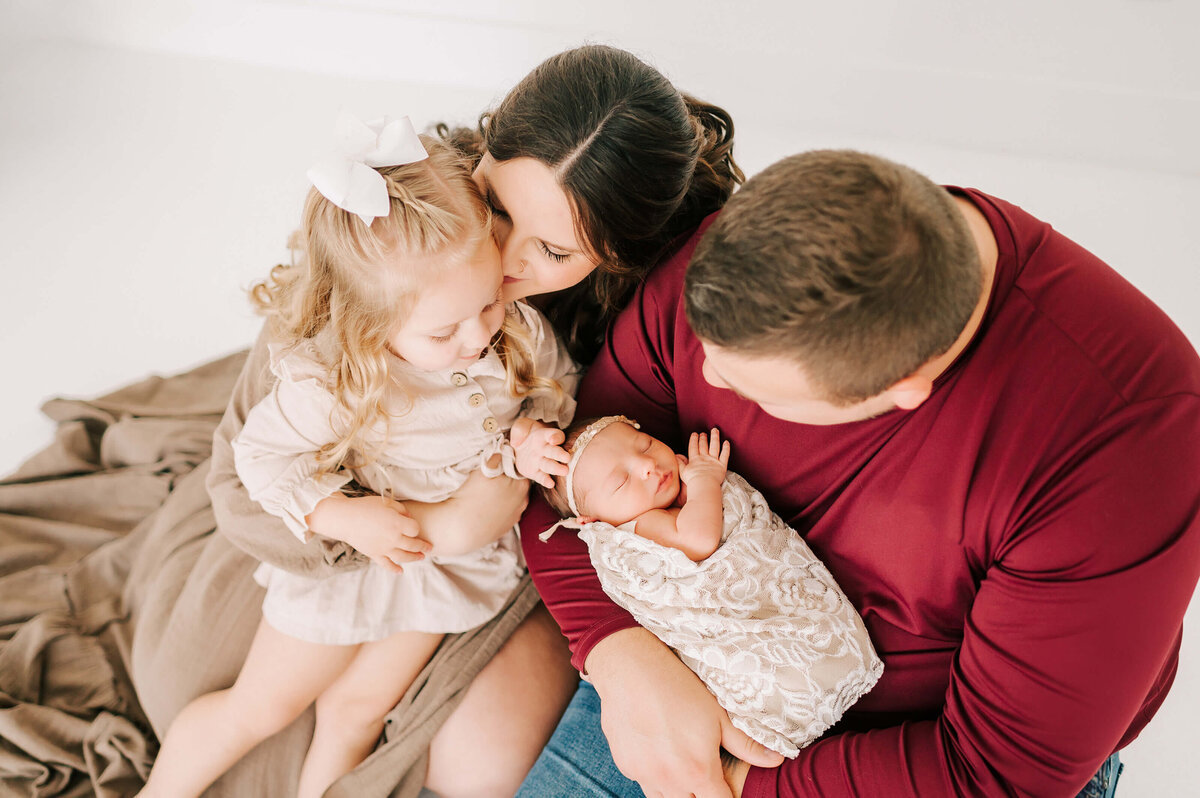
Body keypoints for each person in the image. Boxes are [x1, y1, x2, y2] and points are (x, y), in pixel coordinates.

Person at [128, 43, 748, 797]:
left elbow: (616, 480)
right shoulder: (395, 230)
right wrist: (416, 521)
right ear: (478, 160)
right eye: (496, 209)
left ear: (615, 258)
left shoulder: (604, 325)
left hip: (490, 555)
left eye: (553, 251)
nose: (505, 260)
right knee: (196, 689)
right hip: (347, 520)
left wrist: (525, 477)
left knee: (428, 748)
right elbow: (250, 469)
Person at [518, 149, 1200, 797]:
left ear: (900, 392)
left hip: (902, 764)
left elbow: (993, 776)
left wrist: (731, 785)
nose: (704, 377)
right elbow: (563, 483)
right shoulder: (753, 257)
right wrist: (619, 655)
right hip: (682, 672)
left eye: (749, 390)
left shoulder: (1129, 446)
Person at [138, 114, 579, 798]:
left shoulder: (511, 330)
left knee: (357, 714)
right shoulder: (336, 380)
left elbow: (552, 384)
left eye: (488, 303)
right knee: (261, 708)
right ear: (370, 328)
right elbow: (262, 460)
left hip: (443, 573)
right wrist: (340, 517)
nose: (477, 337)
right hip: (350, 570)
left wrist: (531, 434)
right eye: (444, 330)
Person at [538, 416, 883, 757]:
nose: (645, 465)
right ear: (592, 522)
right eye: (621, 481)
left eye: (643, 445)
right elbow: (699, 539)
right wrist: (704, 481)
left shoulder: (656, 497)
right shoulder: (638, 527)